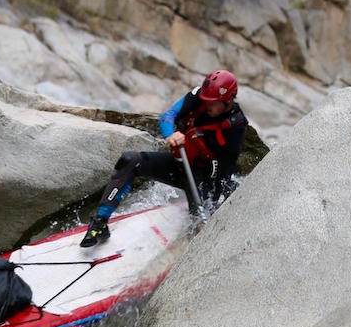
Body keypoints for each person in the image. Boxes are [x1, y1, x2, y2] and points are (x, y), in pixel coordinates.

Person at [80, 69, 249, 247]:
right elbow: (167, 117)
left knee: (199, 222)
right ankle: (99, 223)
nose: (207, 106)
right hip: (180, 165)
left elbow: (225, 170)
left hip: (205, 178)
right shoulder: (199, 95)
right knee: (130, 160)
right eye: (206, 101)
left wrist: (210, 204)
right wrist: (170, 135)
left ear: (228, 100)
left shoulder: (236, 126)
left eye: (212, 103)